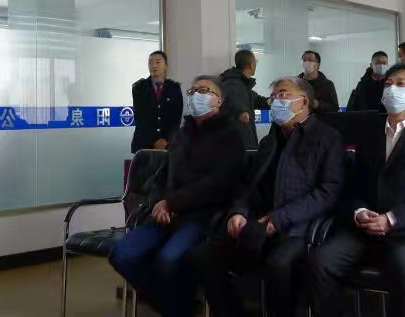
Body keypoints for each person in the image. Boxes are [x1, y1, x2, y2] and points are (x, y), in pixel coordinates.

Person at [308, 64, 405, 317]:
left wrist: (391, 219)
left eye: (401, 84)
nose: (391, 89)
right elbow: (353, 184)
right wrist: (358, 212)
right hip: (363, 229)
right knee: (321, 261)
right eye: (388, 84)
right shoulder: (370, 133)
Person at [193, 77, 344, 317]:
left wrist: (279, 218)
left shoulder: (328, 138)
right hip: (259, 222)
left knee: (279, 264)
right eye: (272, 97)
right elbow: (250, 185)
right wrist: (239, 212)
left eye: (282, 95)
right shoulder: (269, 141)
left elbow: (328, 192)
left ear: (304, 102)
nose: (275, 101)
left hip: (299, 228)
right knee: (205, 255)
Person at [109, 76, 243, 317]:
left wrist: (172, 202)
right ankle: (178, 307)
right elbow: (161, 177)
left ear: (219, 100)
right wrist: (158, 204)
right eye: (193, 90)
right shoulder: (180, 135)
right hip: (164, 215)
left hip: (201, 216)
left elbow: (218, 183)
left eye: (204, 90)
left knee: (168, 259)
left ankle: (178, 306)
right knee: (121, 254)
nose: (196, 95)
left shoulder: (230, 135)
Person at [131, 51, 184, 153]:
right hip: (144, 144)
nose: (153, 65)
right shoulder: (139, 88)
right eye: (150, 62)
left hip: (168, 144)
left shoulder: (174, 88)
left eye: (158, 62)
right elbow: (140, 118)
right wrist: (154, 141)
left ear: (166, 66)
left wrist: (166, 141)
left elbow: (176, 119)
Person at [220, 50, 269, 148]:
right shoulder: (233, 84)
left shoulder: (242, 85)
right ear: (251, 65)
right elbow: (231, 101)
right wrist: (240, 111)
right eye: (256, 63)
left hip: (244, 141)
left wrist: (275, 101)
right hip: (238, 144)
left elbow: (258, 101)